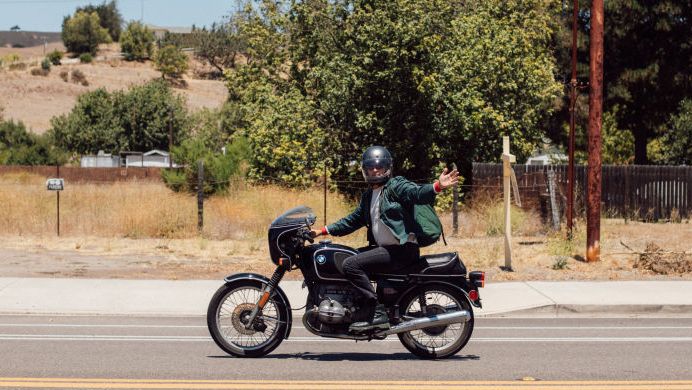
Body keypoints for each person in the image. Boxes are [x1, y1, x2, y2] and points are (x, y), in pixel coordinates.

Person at [311, 146, 459, 331]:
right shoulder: (368, 196)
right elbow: (352, 221)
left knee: (350, 264)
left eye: (379, 167)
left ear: (387, 168)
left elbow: (416, 193)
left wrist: (436, 187)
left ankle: (376, 311)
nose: (375, 170)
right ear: (365, 170)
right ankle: (357, 308)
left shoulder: (395, 186)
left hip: (400, 251)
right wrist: (322, 230)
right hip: (386, 251)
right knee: (347, 256)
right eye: (371, 167)